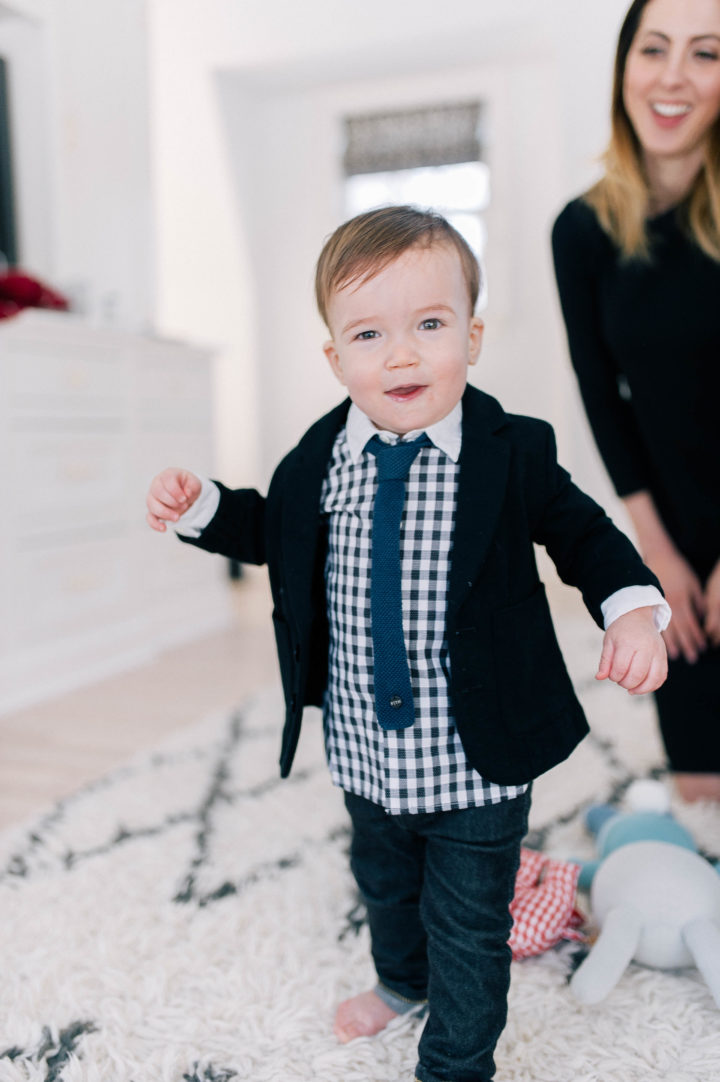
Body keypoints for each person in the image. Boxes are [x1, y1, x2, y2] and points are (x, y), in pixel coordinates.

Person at [146, 206, 668, 1082]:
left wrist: (629, 608)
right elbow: (272, 529)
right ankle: (400, 980)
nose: (401, 355)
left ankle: (456, 1064)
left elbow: (586, 534)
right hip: (363, 745)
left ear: (472, 334)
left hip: (477, 754)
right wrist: (203, 507)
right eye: (368, 333)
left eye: (429, 326)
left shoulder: (510, 452)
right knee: (386, 885)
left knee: (468, 918)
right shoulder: (320, 459)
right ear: (335, 357)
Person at [552, 0, 720, 803]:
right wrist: (654, 547)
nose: (673, 76)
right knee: (702, 793)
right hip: (675, 525)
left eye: (707, 53)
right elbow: (598, 390)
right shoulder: (580, 231)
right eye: (654, 49)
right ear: (625, 67)